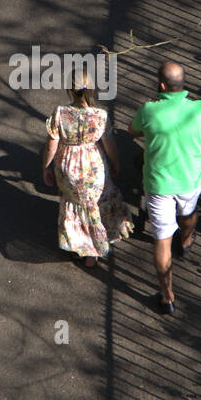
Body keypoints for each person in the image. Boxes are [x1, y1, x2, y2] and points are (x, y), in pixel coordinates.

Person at [129, 61, 201, 314]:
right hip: (190, 181)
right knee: (188, 213)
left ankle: (167, 296)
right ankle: (185, 240)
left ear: (161, 85)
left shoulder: (149, 110)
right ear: (183, 83)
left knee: (161, 240)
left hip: (159, 185)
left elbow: (133, 131)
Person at [42, 68, 132, 267]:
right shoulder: (100, 116)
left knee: (75, 204)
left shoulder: (60, 114)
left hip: (68, 168)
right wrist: (116, 163)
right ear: (92, 89)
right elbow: (110, 146)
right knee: (95, 203)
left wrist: (46, 167)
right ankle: (95, 250)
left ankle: (81, 245)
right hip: (93, 168)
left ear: (69, 90)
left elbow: (51, 145)